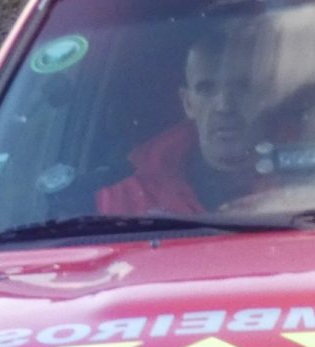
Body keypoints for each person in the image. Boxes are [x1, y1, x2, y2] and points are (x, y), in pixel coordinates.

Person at [96, 18, 274, 215]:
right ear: (188, 103)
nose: (224, 106)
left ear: (268, 96)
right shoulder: (124, 203)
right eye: (206, 89)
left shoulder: (309, 176)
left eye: (242, 87)